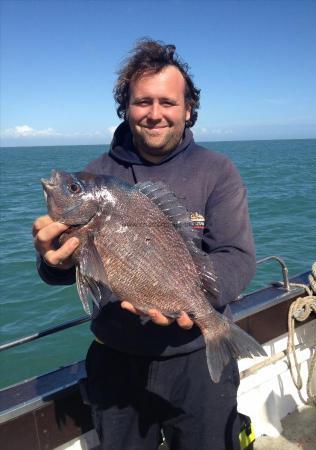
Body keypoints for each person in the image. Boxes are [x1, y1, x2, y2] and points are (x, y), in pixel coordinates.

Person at [33, 38, 256, 450]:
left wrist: (195, 304)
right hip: (116, 359)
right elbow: (73, 270)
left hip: (196, 363)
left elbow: (237, 258)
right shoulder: (96, 176)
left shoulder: (217, 171)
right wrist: (53, 262)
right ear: (126, 108)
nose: (155, 114)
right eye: (142, 102)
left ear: (188, 109)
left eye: (168, 103)